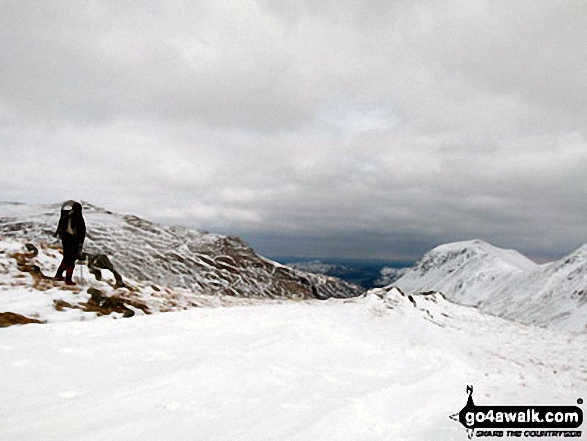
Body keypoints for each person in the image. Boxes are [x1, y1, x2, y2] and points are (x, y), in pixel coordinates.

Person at [53, 201, 86, 285]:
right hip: (73, 240)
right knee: (71, 260)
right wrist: (80, 244)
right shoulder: (78, 217)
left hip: (66, 239)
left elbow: (61, 226)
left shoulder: (66, 215)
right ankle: (68, 279)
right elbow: (81, 232)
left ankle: (59, 275)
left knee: (67, 258)